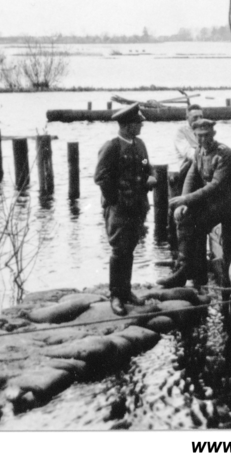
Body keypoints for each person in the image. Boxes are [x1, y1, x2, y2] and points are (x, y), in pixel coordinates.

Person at [158, 119, 231, 288]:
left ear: (214, 134)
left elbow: (216, 185)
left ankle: (228, 283)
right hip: (214, 203)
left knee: (229, 244)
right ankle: (193, 274)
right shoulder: (199, 152)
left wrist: (187, 200)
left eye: (206, 135)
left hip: (230, 205)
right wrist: (183, 203)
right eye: (199, 136)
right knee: (188, 220)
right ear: (194, 135)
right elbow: (192, 177)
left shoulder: (224, 153)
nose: (203, 140)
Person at [94, 103, 157, 315]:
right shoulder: (112, 147)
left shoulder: (140, 145)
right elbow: (101, 177)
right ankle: (115, 295)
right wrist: (116, 201)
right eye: (138, 123)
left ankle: (126, 290)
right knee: (118, 250)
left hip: (138, 206)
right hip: (119, 209)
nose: (141, 126)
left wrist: (152, 177)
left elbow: (148, 166)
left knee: (130, 248)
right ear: (127, 125)